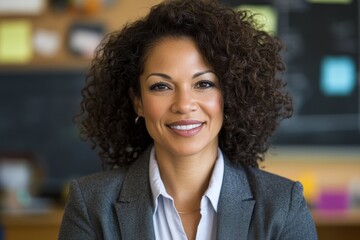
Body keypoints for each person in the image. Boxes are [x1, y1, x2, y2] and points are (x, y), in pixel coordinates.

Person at [58, 0, 318, 239]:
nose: (183, 105)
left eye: (204, 83)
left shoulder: (283, 206)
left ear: (230, 95)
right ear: (138, 101)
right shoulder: (91, 205)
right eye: (161, 86)